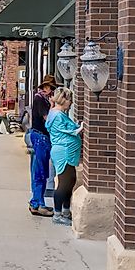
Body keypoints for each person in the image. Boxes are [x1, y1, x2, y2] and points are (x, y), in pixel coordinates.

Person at [47, 87, 83, 225]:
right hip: (64, 153)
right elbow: (67, 130)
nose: (71, 103)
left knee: (70, 181)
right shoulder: (57, 115)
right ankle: (57, 214)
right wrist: (80, 128)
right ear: (64, 99)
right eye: (70, 100)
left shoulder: (58, 113)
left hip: (68, 152)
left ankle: (66, 211)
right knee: (64, 183)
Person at [28, 74, 58, 217]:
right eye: (48, 87)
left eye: (51, 88)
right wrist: (53, 106)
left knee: (41, 171)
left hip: (42, 136)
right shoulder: (40, 99)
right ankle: (38, 203)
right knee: (40, 172)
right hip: (40, 136)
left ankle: (37, 202)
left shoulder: (43, 99)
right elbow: (48, 120)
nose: (50, 90)